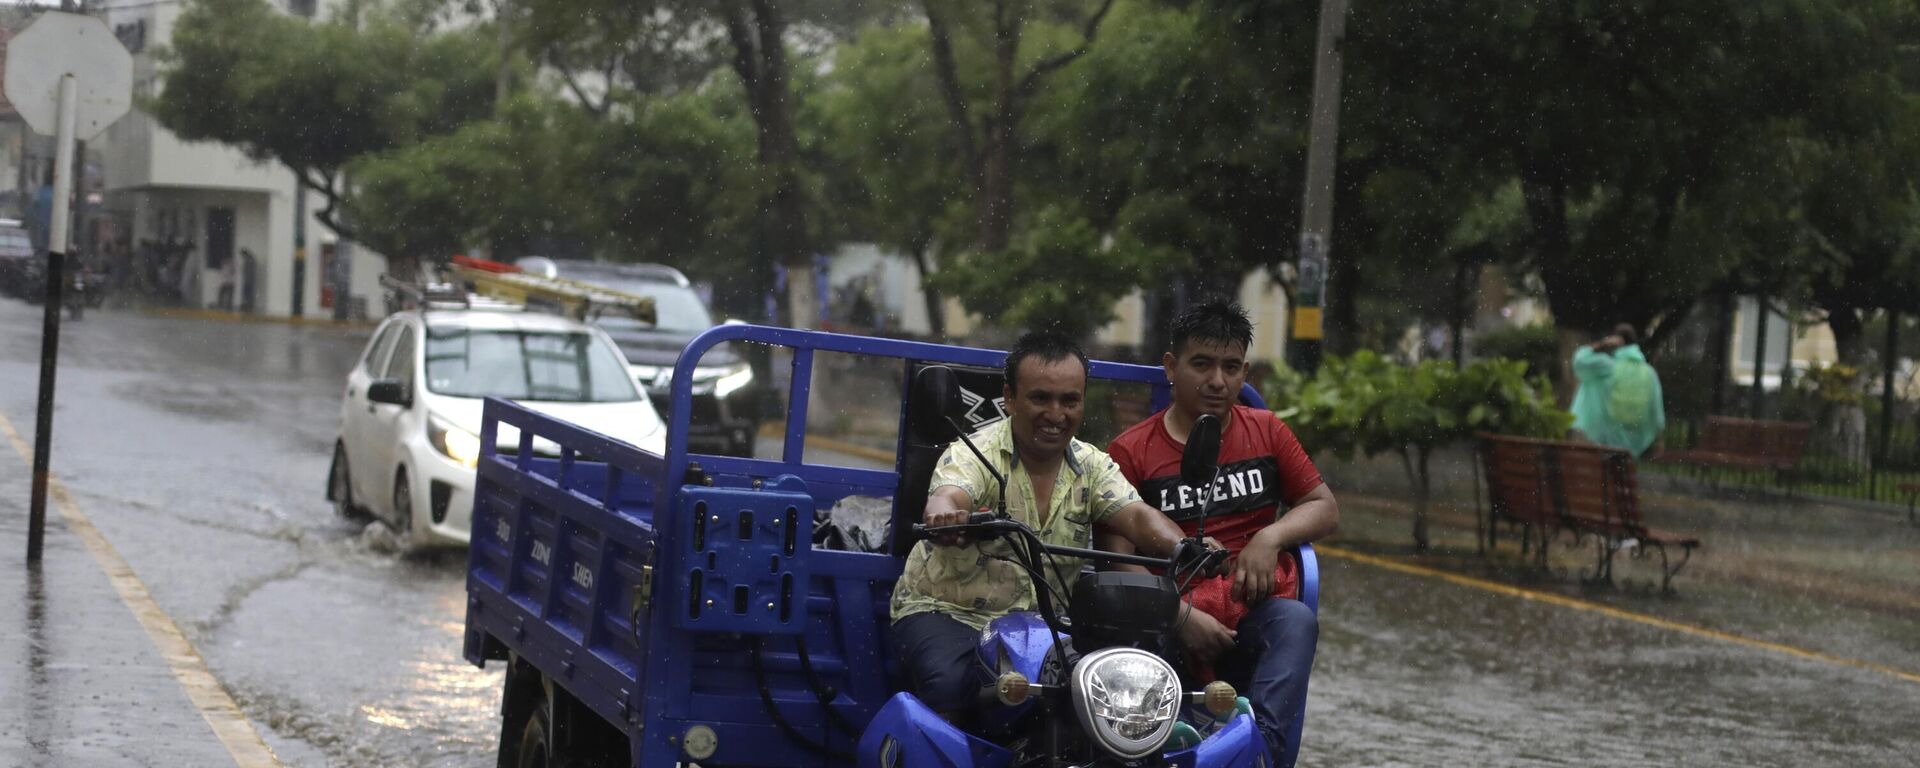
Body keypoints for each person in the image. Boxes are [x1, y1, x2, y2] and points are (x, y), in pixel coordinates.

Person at [889, 330, 1218, 726]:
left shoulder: (1092, 465)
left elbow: (1135, 514)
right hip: (950, 612)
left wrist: (1183, 545)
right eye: (1040, 398)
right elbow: (950, 493)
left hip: (1046, 624)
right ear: (1010, 398)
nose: (1056, 414)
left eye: (1069, 401)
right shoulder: (974, 452)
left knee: (1112, 689)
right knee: (950, 683)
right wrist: (945, 516)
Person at [1103, 300, 1339, 761]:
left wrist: (1268, 538)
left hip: (1251, 611)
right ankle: (1166, 743)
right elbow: (1117, 556)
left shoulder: (1267, 431)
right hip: (1166, 619)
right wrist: (1177, 616)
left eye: (1232, 367)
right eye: (1202, 364)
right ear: (1171, 367)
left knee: (1296, 621)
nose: (1218, 381)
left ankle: (1258, 752)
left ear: (1245, 371)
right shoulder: (1131, 451)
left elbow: (1323, 507)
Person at [1570, 323, 1666, 458]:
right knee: (1625, 474)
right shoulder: (1649, 373)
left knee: (1606, 473)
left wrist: (1602, 344)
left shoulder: (1608, 367)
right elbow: (1657, 410)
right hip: (1635, 444)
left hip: (1606, 440)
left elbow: (1579, 361)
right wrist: (1659, 438)